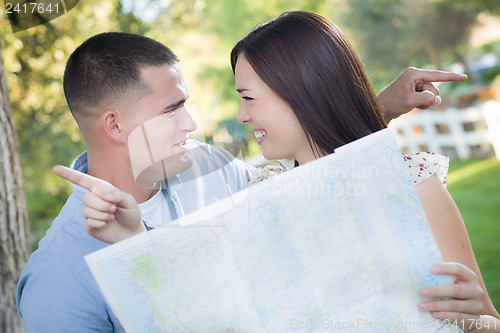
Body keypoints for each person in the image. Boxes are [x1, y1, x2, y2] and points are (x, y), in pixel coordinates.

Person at [20, 31, 467, 333]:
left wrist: (370, 107)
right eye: (171, 109)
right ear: (116, 127)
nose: (192, 123)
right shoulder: (59, 279)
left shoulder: (208, 166)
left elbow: (309, 181)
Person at [230, 11, 499, 331]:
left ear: (301, 91)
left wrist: (472, 323)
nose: (241, 115)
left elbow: (489, 319)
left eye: (248, 98)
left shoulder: (412, 185)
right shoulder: (262, 195)